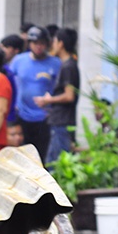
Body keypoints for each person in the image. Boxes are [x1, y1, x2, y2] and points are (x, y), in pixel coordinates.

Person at [10, 25, 60, 161]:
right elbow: (10, 83)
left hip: (44, 117)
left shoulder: (55, 63)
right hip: (22, 115)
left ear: (47, 44)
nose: (38, 47)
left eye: (42, 43)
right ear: (29, 44)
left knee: (42, 155)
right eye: (35, 43)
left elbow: (61, 89)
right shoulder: (19, 60)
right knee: (23, 157)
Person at [36, 27, 80, 164]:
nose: (52, 45)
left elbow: (69, 96)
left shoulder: (68, 66)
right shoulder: (66, 65)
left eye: (54, 41)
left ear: (60, 44)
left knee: (56, 162)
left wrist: (48, 100)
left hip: (62, 121)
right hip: (60, 120)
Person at [0, 34, 25, 124]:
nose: (2, 50)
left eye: (6, 47)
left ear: (16, 50)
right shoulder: (4, 66)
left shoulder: (20, 67)